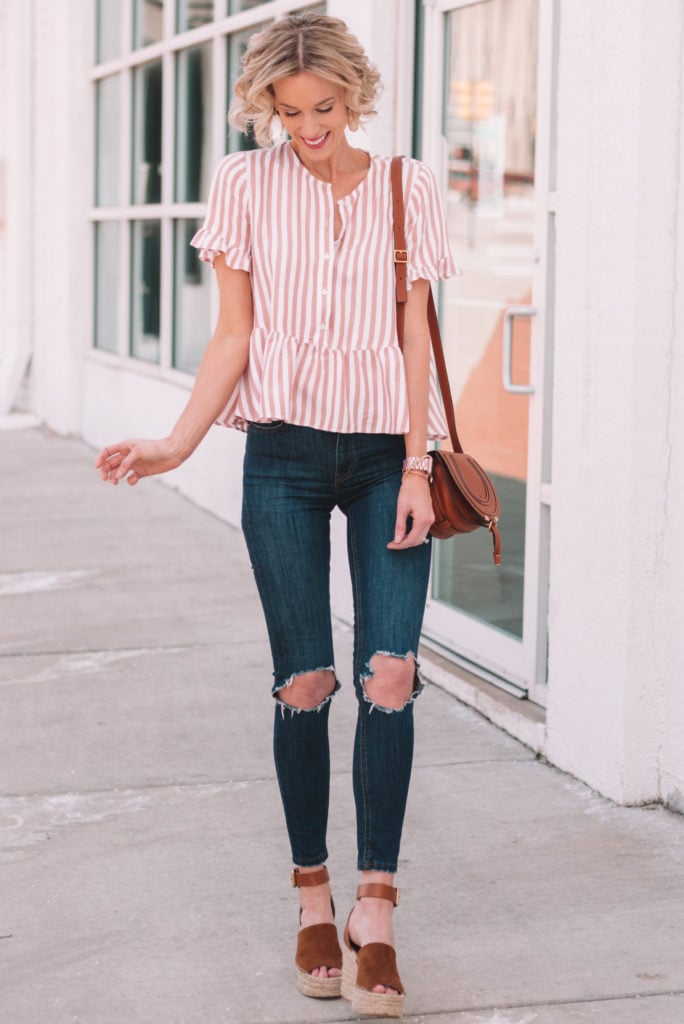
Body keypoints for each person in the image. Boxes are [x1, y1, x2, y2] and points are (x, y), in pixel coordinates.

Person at [95, 13, 458, 1019]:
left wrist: (422, 467)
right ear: (267, 106)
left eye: (324, 109)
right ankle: (312, 893)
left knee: (392, 677)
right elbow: (233, 335)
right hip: (284, 459)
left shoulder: (404, 185)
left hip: (391, 458)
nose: (306, 128)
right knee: (304, 683)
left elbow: (416, 335)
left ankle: (375, 911)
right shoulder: (245, 185)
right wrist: (174, 440)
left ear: (354, 96)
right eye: (287, 111)